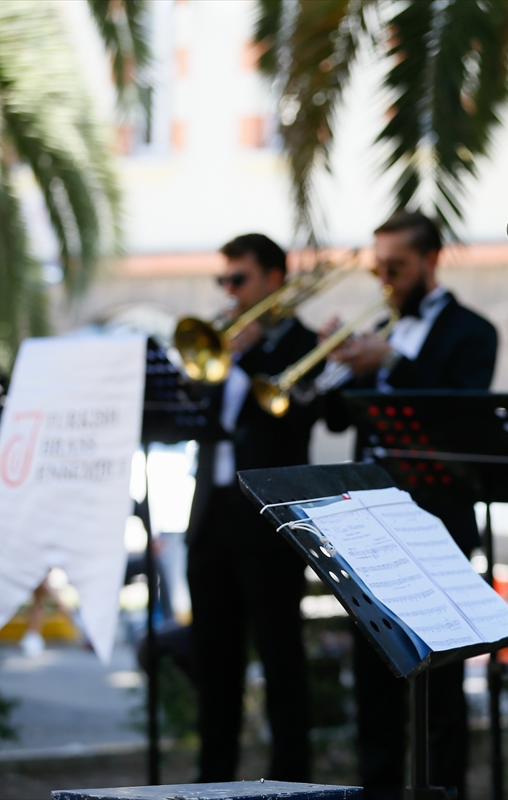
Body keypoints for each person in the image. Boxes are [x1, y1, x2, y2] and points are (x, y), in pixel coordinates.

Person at [324, 211, 497, 800]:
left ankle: (442, 791)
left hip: (436, 523)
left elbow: (456, 415)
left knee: (440, 685)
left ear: (430, 260)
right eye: (379, 269)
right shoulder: (381, 325)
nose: (386, 280)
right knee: (373, 687)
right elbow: (332, 415)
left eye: (395, 267)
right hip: (365, 522)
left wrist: (390, 365)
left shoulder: (473, 331)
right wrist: (334, 365)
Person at [185, 233, 319, 782]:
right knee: (214, 663)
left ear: (273, 279)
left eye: (238, 280)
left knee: (280, 658)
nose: (230, 291)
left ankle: (291, 781)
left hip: (267, 521)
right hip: (211, 516)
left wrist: (251, 354)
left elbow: (302, 419)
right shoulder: (222, 344)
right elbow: (200, 415)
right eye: (224, 281)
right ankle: (211, 781)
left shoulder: (300, 345)